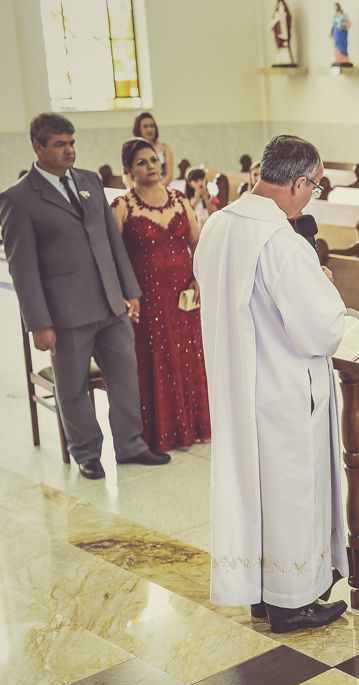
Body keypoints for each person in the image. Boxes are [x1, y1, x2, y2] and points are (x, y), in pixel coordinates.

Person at [192, 134, 347, 632]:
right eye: (314, 187)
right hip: (284, 389)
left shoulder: (219, 222)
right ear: (298, 182)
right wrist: (323, 285)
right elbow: (318, 328)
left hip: (239, 382)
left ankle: (261, 593)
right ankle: (292, 600)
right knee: (290, 492)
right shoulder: (282, 240)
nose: (311, 197)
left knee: (255, 490)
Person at [0, 113, 169, 480]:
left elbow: (112, 242)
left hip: (111, 303)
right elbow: (22, 269)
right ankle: (87, 453)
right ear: (38, 146)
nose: (69, 151)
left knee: (126, 378)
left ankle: (131, 445)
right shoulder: (18, 199)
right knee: (73, 389)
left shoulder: (89, 181)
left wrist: (130, 291)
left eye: (72, 143)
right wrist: (39, 324)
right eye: (60, 144)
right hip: (65, 313)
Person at [109, 137, 208, 453]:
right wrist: (126, 295)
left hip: (183, 296)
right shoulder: (122, 207)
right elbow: (111, 257)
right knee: (153, 359)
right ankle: (158, 434)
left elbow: (198, 242)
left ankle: (193, 427)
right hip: (147, 299)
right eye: (141, 162)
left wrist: (198, 277)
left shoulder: (180, 199)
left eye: (153, 160)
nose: (150, 166)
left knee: (188, 355)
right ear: (128, 170)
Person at [132, 112, 174, 187]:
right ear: (138, 129)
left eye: (152, 126)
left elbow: (169, 176)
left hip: (161, 190)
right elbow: (126, 177)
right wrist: (138, 192)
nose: (149, 129)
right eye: (145, 126)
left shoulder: (165, 148)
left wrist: (154, 189)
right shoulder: (131, 149)